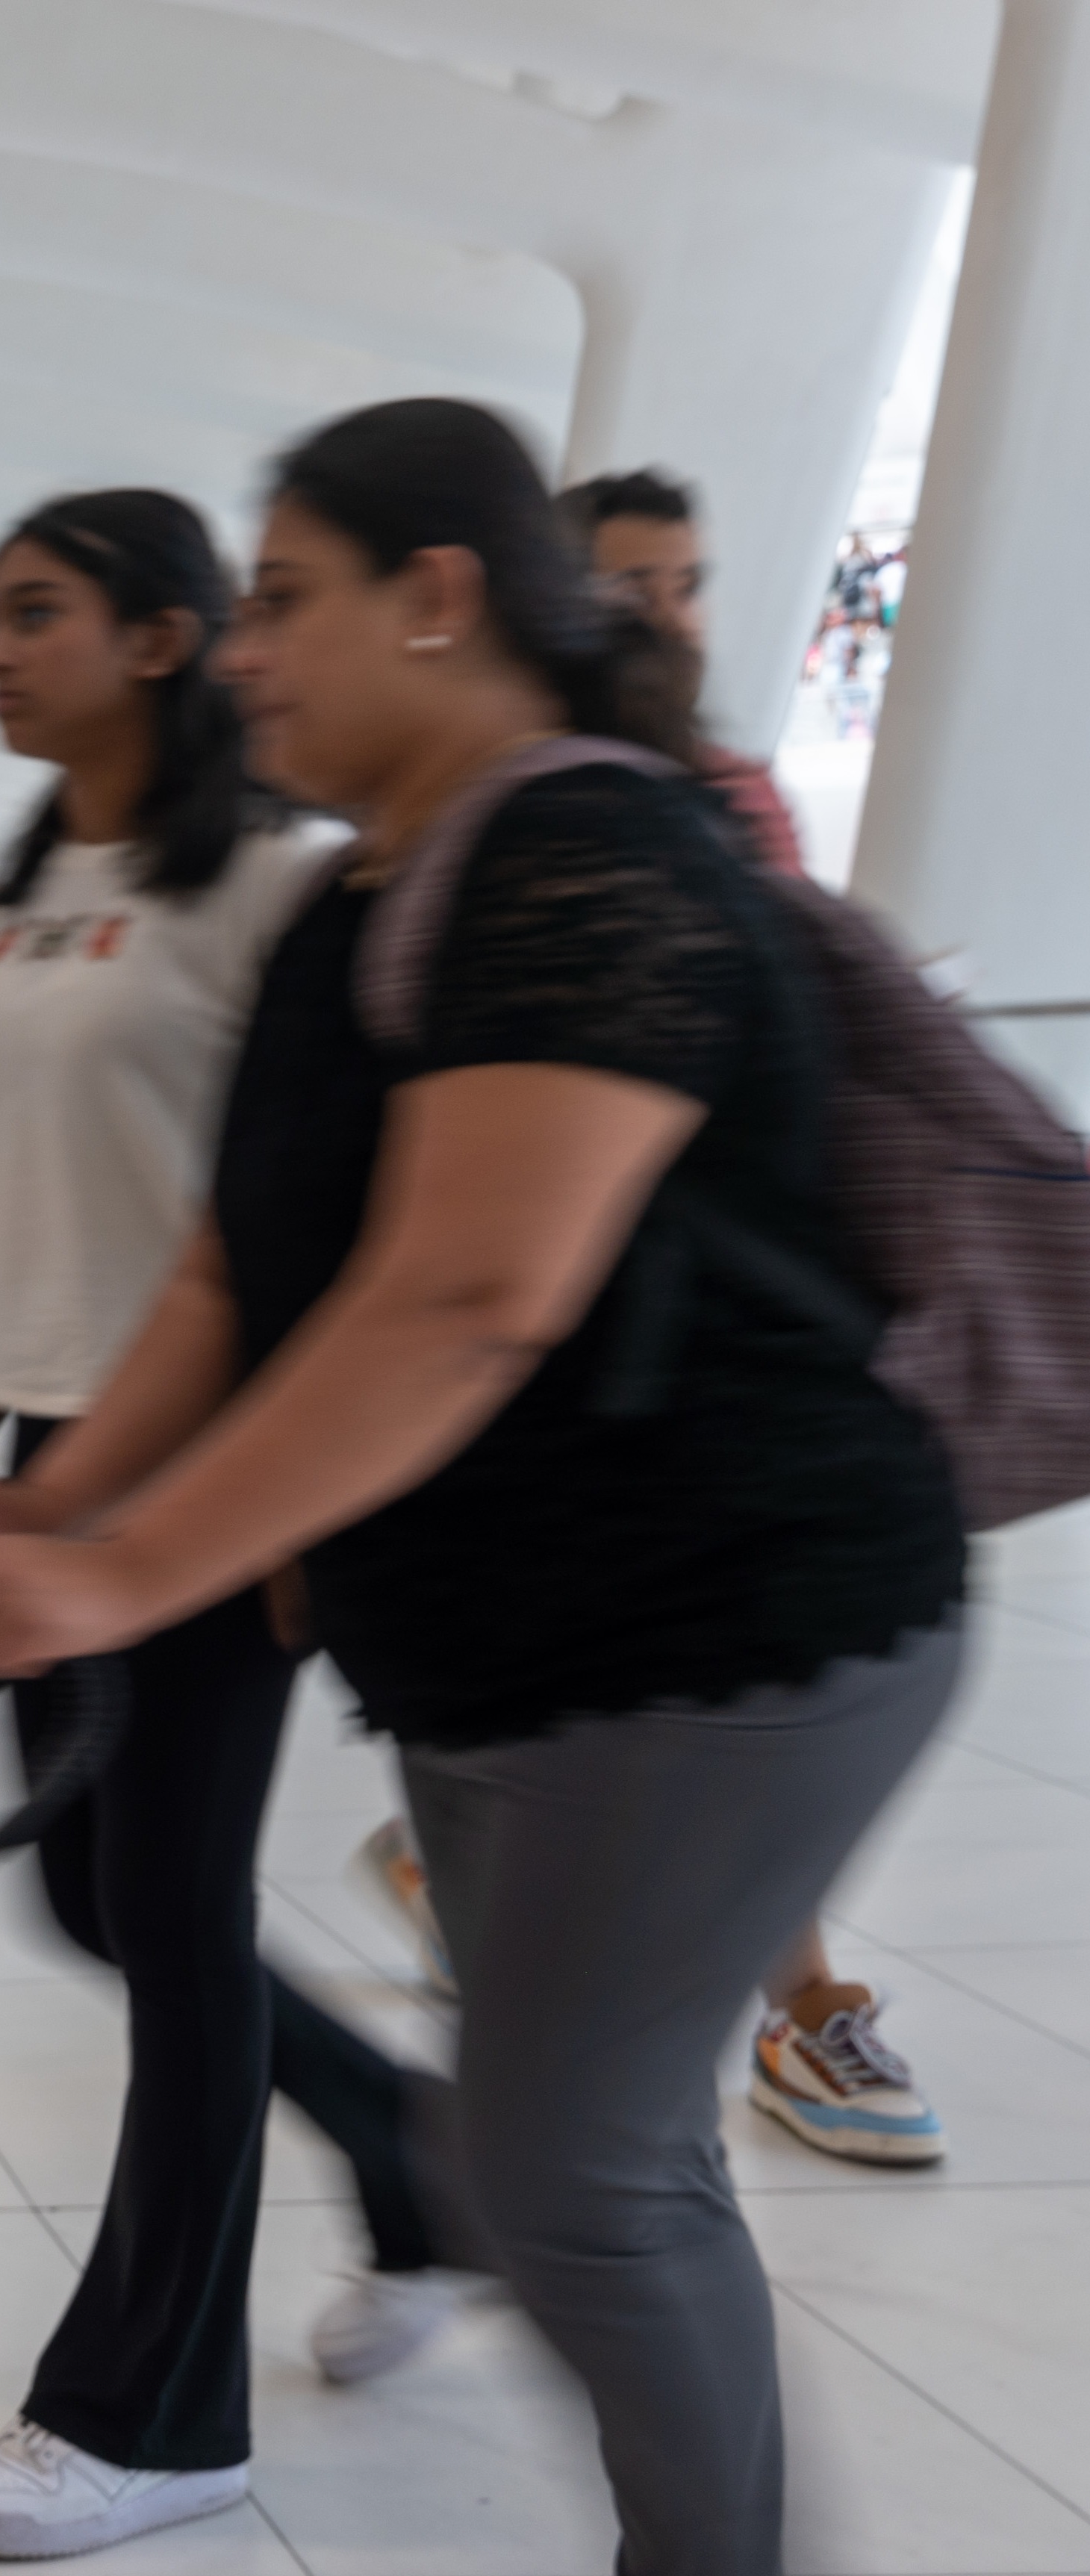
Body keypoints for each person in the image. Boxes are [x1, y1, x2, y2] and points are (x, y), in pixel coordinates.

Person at [0, 402, 961, 2576]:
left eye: (278, 593)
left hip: (726, 1633)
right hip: (525, 1662)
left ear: (440, 598)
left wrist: (136, 1573)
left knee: (563, 2160)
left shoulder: (583, 851)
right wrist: (50, 1501)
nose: (240, 648)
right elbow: (229, 1277)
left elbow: (476, 1287)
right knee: (586, 2157)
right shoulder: (369, 892)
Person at [0, 491, 452, 2576]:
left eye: (28, 612)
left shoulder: (274, 896)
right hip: (56, 1447)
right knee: (80, 1886)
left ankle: (151, 2409)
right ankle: (415, 2157)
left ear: (157, 640)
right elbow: (23, 1231)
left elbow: (303, 1225)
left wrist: (301, 1494)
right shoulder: (27, 889)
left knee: (165, 1889)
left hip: (220, 1464)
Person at [564, 463, 942, 2167]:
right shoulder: (494, 810)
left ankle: (792, 2009)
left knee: (737, 1681)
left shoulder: (733, 797)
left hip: (724, 1337)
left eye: (685, 582)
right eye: (622, 584)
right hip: (565, 1343)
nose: (662, 615)